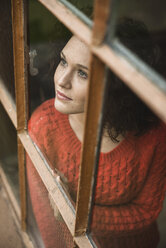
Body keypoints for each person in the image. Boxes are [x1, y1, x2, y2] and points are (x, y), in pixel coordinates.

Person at [27, 18, 166, 248]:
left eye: (83, 73)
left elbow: (145, 212)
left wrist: (76, 213)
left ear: (116, 86)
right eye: (63, 61)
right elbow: (48, 220)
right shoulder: (43, 125)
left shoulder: (155, 136)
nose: (61, 81)